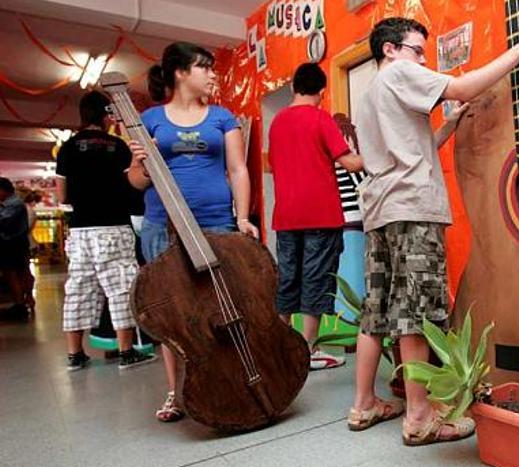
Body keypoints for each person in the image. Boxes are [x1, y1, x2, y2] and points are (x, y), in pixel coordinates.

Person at [349, 16, 519, 445]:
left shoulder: (370, 94)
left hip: (382, 211)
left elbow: (408, 150)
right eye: (416, 49)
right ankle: (420, 416)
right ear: (389, 49)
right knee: (417, 314)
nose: (421, 60)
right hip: (412, 208)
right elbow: (463, 87)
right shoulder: (401, 73)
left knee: (376, 312)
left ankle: (363, 403)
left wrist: (448, 126)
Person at [128, 41, 259, 423]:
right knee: (170, 311)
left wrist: (243, 218)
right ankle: (176, 391)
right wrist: (142, 163)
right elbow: (136, 181)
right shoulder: (149, 119)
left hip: (216, 221)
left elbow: (238, 170)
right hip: (161, 226)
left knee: (222, 305)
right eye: (205, 67)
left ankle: (231, 379)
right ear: (180, 73)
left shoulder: (222, 117)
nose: (213, 75)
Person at [269, 62, 364, 370]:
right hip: (321, 216)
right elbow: (349, 164)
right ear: (322, 92)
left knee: (288, 280)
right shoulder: (321, 119)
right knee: (316, 281)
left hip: (286, 216)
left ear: (295, 87)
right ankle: (306, 351)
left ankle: (282, 347)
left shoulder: (277, 122)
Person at [54, 91, 157, 371]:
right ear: (106, 115)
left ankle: (75, 355)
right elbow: (132, 185)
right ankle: (127, 352)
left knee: (78, 289)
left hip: (80, 231)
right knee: (121, 289)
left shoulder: (67, 148)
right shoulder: (118, 147)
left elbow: (62, 195)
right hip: (114, 225)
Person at [0, 177, 30, 320]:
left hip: (13, 244)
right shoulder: (11, 203)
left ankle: (20, 305)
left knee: (13, 274)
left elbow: (3, 221)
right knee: (13, 274)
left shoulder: (13, 204)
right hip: (14, 244)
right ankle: (19, 303)